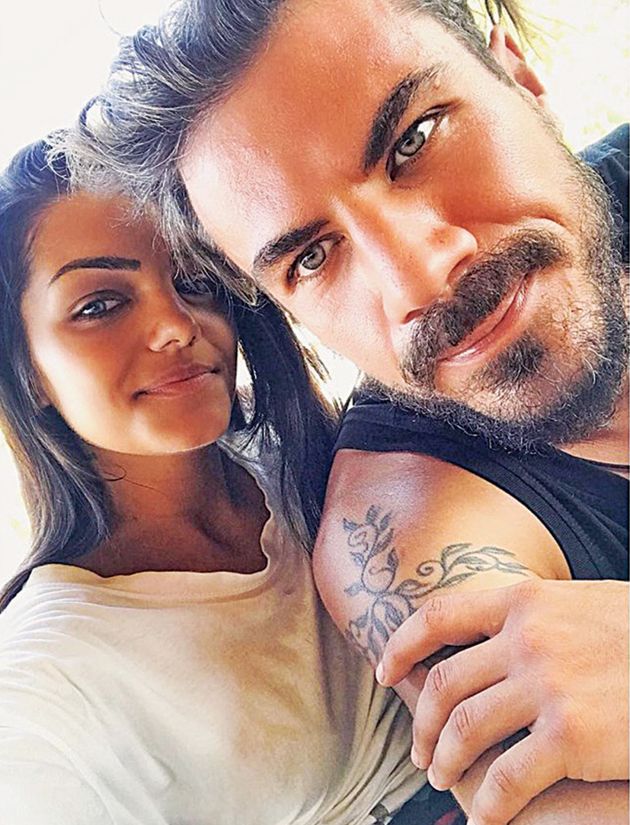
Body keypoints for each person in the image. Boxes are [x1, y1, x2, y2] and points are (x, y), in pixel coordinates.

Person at [68, 0, 629, 822]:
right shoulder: (409, 533)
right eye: (312, 256)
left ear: (517, 73)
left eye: (413, 141)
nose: (418, 278)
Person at [0, 138, 433, 824]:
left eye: (195, 280)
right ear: (27, 372)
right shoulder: (41, 686)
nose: (176, 325)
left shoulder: (323, 457)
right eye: (101, 304)